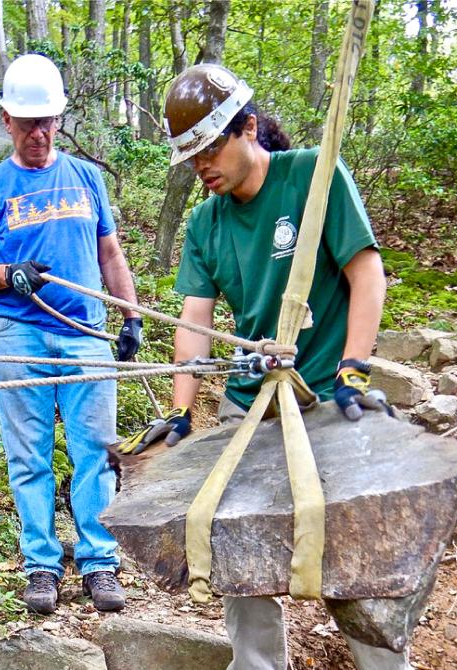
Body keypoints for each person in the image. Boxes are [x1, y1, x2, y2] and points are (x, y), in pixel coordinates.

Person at [125, 63, 401, 669]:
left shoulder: (312, 176)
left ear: (248, 128)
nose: (202, 167)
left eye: (210, 148)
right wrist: (179, 410)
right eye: (191, 157)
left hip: (325, 393)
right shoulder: (205, 222)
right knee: (236, 544)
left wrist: (355, 366)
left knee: (347, 548)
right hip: (248, 404)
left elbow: (365, 272)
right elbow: (194, 326)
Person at [0, 54, 142, 615]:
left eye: (47, 122)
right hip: (19, 335)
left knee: (96, 453)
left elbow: (109, 252)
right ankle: (41, 564)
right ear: (6, 120)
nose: (38, 133)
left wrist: (130, 315)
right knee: (29, 457)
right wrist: (8, 275)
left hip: (87, 332)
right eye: (27, 122)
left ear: (59, 120)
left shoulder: (86, 178)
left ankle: (99, 563)